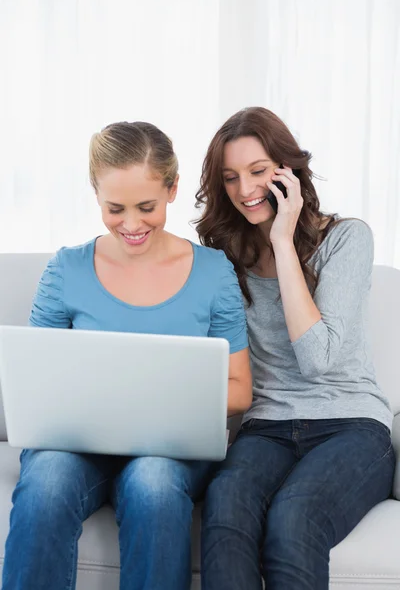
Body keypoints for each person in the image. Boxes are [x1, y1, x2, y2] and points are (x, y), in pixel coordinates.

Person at [2, 121, 252, 590]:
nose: (132, 225)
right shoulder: (66, 269)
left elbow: (239, 390)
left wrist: (157, 403)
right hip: (77, 447)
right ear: (95, 195)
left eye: (147, 207)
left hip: (171, 449)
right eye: (115, 209)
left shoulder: (213, 273)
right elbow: (36, 377)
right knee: (48, 482)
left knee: (154, 486)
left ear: (173, 189)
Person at [195, 106, 395, 590]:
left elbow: (317, 359)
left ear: (288, 170)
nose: (245, 191)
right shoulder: (223, 260)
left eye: (258, 172)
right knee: (225, 511)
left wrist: (283, 242)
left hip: (350, 423)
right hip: (267, 427)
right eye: (230, 178)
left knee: (294, 519)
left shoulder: (347, 238)